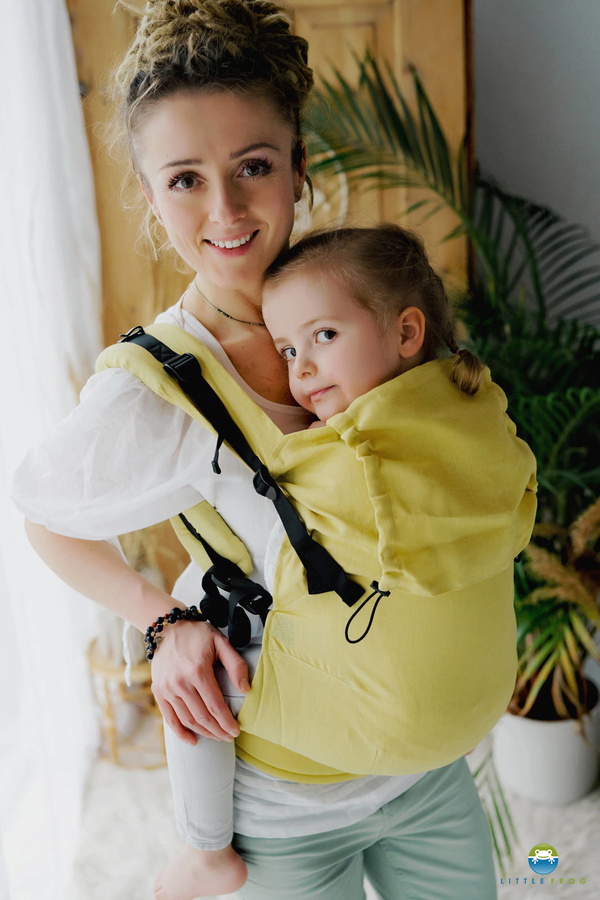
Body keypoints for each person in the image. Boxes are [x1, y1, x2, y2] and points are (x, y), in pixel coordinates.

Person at [10, 3, 531, 899]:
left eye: (253, 165)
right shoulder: (156, 388)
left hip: (429, 774)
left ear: (299, 166)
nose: (226, 210)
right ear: (147, 195)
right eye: (184, 179)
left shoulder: (364, 299)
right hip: (284, 812)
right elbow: (42, 513)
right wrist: (162, 620)